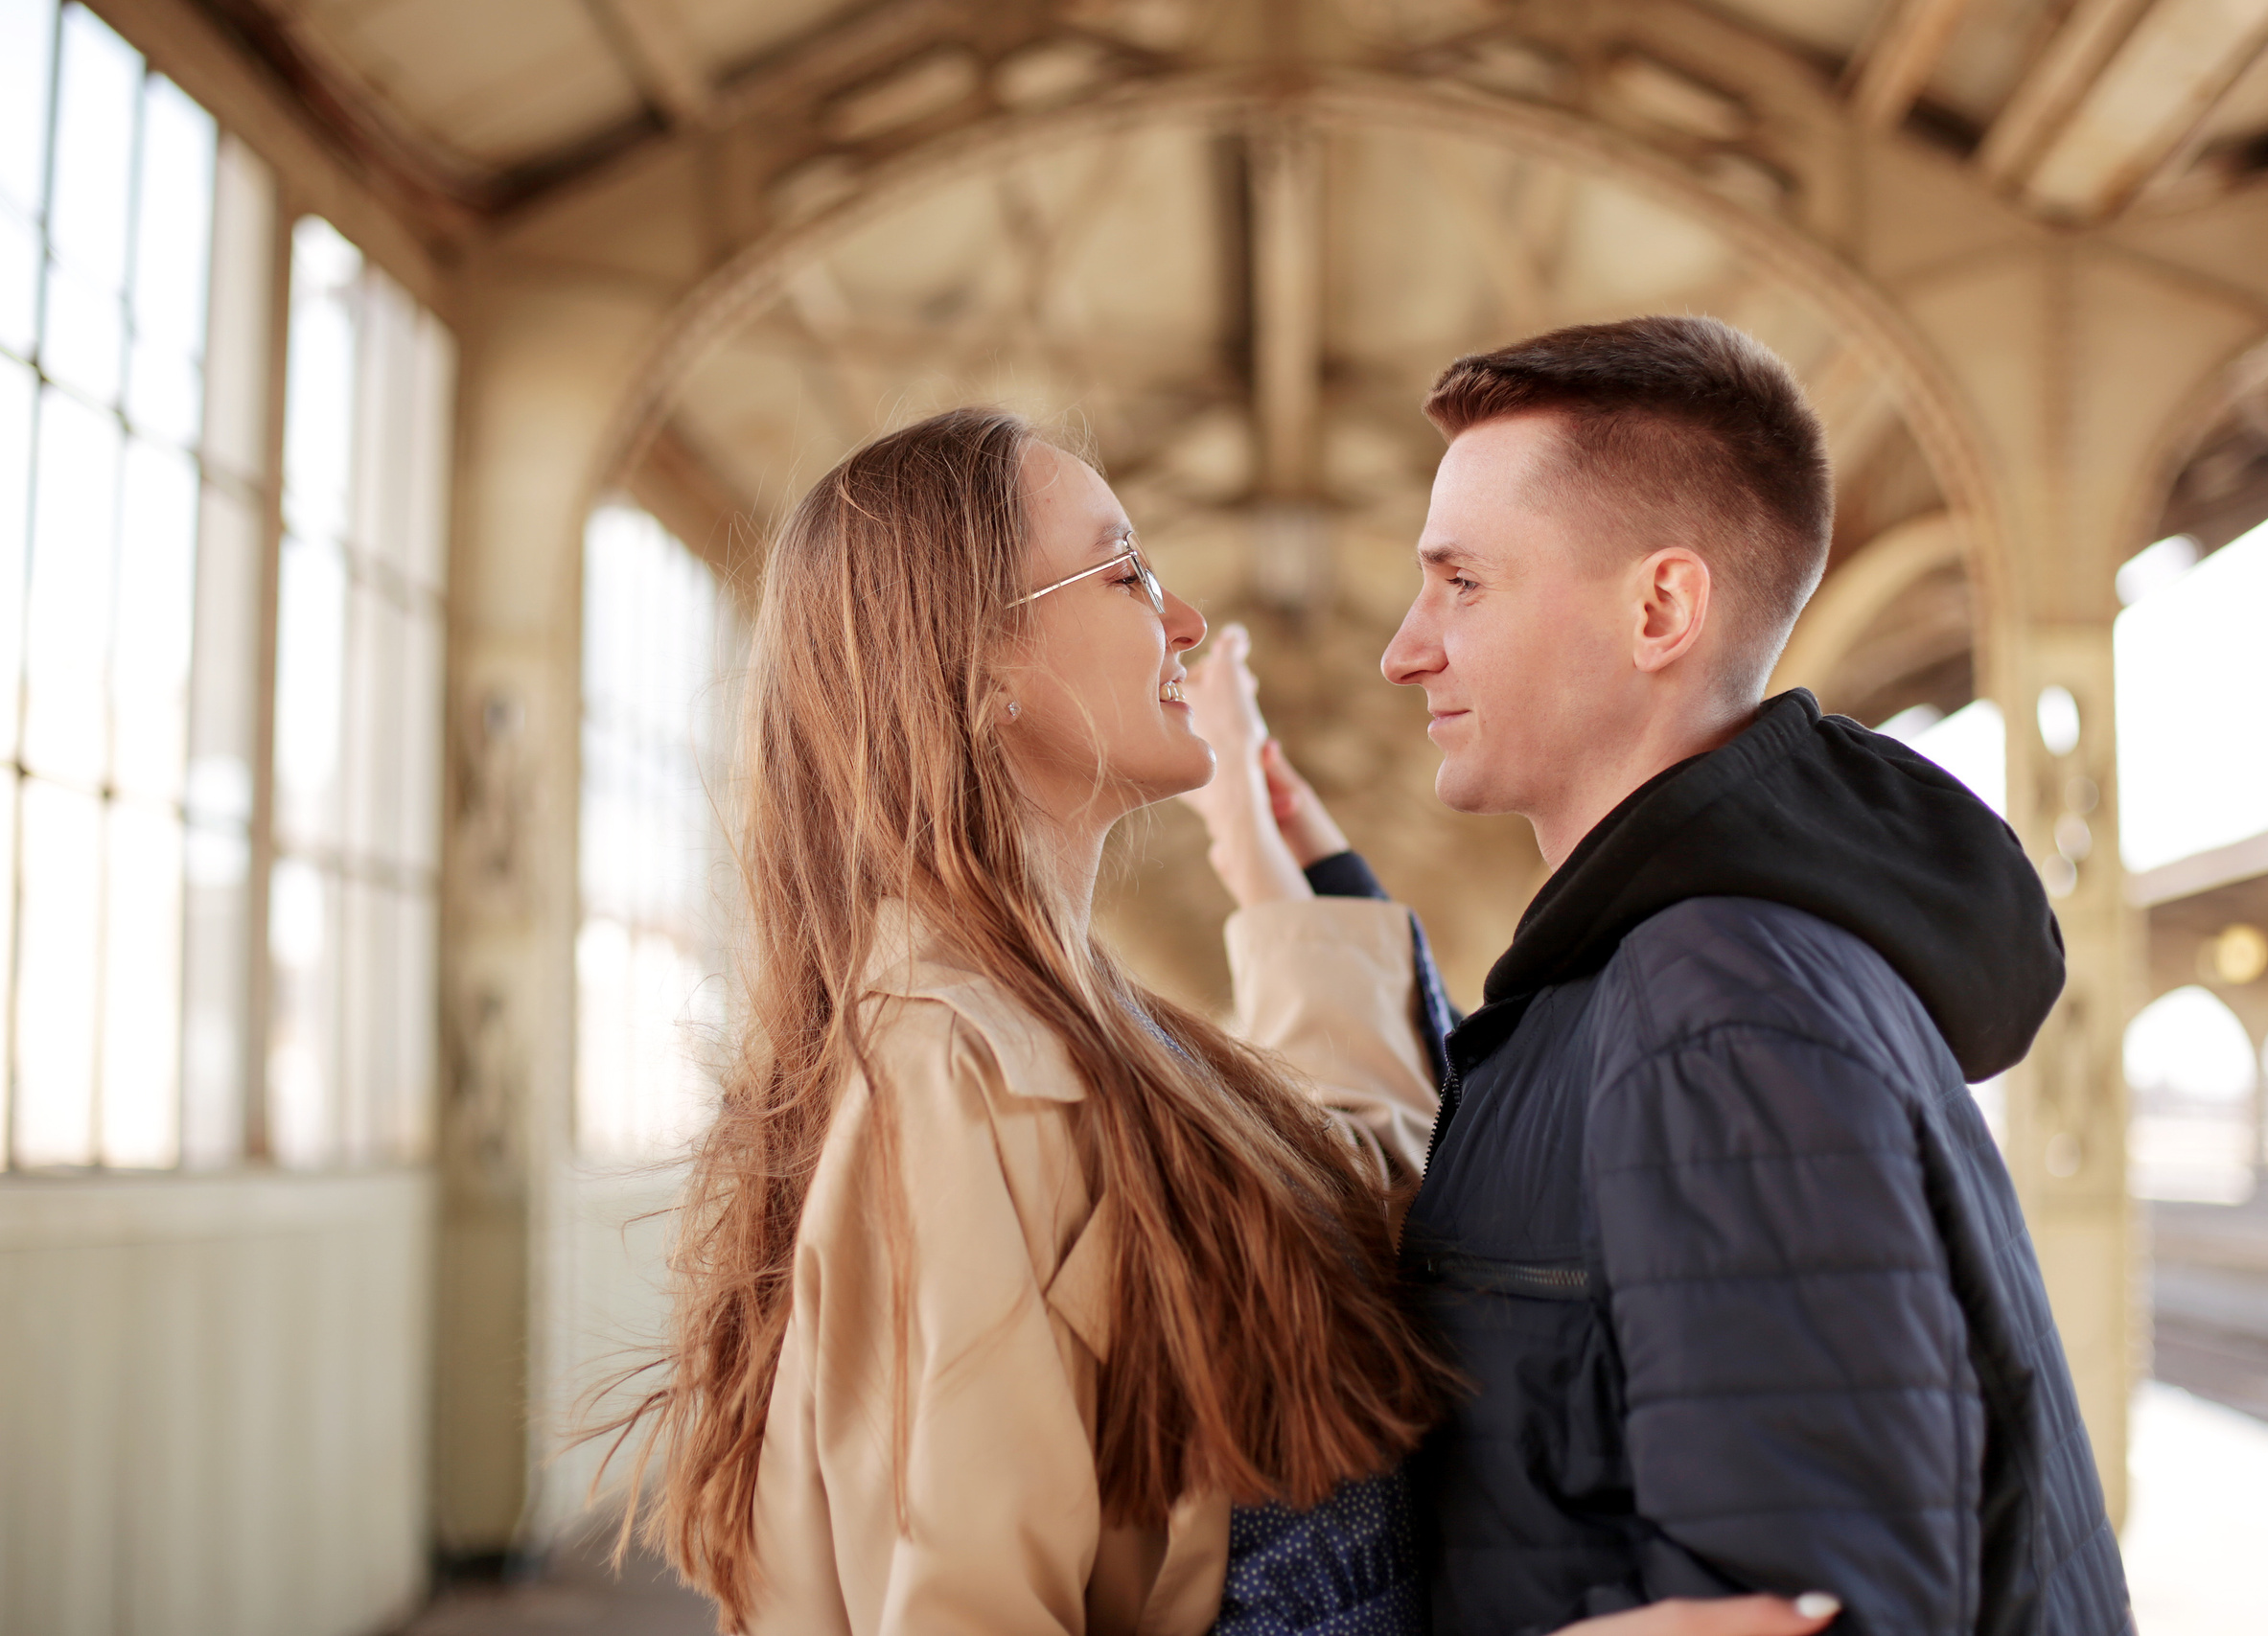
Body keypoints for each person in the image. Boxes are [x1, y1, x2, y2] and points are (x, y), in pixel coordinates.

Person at [601, 406, 1843, 1636]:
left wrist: (1270, 862)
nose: (1185, 620)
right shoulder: (957, 1068)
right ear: (976, 666)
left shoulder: (1057, 1026)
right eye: (1127, 571)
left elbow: (1358, 1194)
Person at [1323, 314, 2133, 1635]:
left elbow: (1816, 1619)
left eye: (1463, 583)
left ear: (1660, 608)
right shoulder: (1673, 977)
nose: (1405, 648)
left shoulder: (1719, 1004)